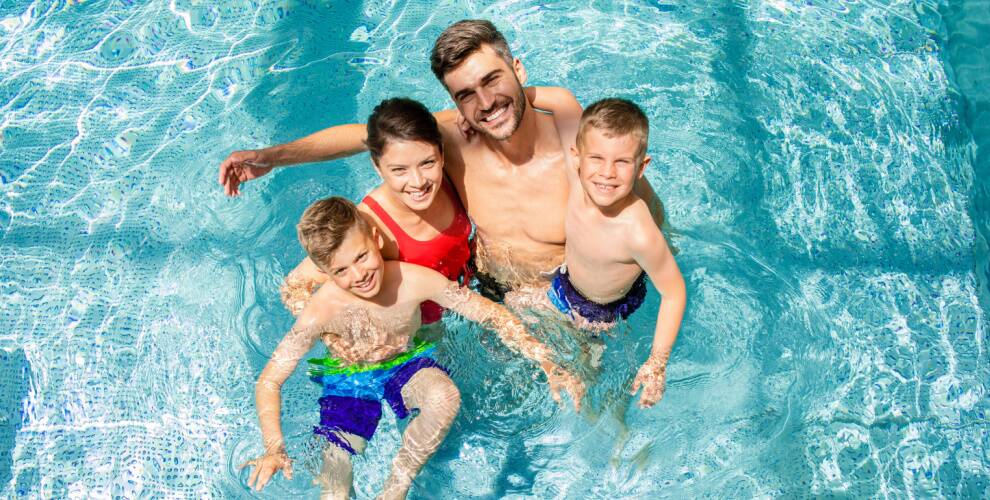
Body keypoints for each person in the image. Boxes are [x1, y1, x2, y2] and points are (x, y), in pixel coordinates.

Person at [218, 19, 665, 301]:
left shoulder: (577, 149)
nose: (486, 103)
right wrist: (271, 158)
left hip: (572, 299)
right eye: (466, 95)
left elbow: (641, 209)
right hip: (487, 292)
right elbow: (364, 136)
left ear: (519, 71)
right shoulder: (450, 140)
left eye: (493, 80)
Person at [240, 197, 584, 499]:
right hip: (350, 379)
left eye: (361, 256)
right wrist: (274, 448)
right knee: (334, 475)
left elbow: (489, 314)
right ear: (324, 272)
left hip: (405, 364)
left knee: (444, 397)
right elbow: (270, 380)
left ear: (375, 239)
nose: (359, 275)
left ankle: (396, 487)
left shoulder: (412, 281)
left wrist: (545, 360)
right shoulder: (321, 311)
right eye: (341, 270)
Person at [517, 93, 687, 408]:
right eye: (596, 158)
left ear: (641, 167)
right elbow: (560, 104)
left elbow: (675, 292)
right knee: (510, 307)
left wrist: (657, 363)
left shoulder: (636, 230)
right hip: (564, 284)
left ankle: (609, 419)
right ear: (577, 158)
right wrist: (507, 99)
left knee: (587, 378)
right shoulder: (578, 179)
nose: (607, 173)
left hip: (603, 312)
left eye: (622, 162)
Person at [279, 98, 471, 328]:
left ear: (441, 153)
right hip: (423, 328)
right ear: (377, 167)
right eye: (399, 170)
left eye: (427, 163)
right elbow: (294, 287)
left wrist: (526, 95)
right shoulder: (371, 224)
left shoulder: (449, 177)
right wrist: (333, 331)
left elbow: (464, 115)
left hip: (468, 293)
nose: (418, 182)